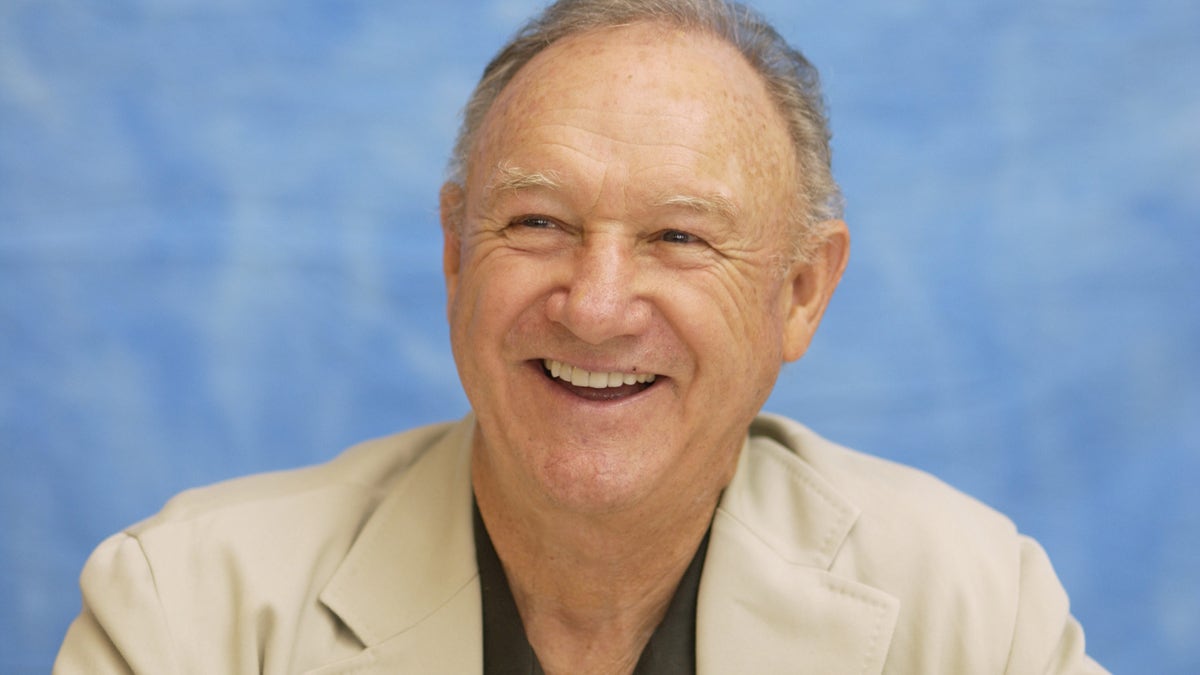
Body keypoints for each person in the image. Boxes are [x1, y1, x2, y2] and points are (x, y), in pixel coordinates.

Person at [55, 0, 1108, 673]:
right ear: (457, 254)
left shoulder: (973, 611)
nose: (596, 306)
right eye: (537, 224)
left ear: (800, 291)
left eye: (679, 237)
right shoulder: (188, 614)